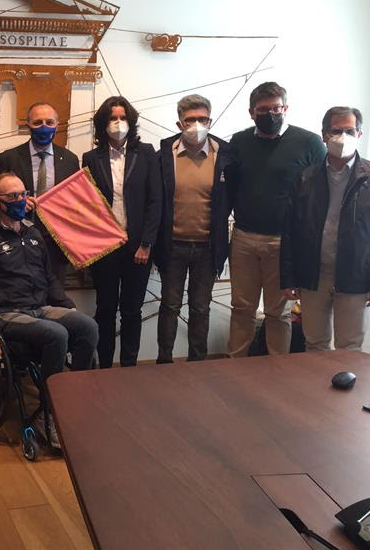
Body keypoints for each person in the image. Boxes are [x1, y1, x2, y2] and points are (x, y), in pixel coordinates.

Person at [0, 172, 98, 447]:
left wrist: (68, 308)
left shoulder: (34, 235)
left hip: (40, 308)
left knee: (87, 326)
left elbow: (50, 280)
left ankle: (72, 402)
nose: (21, 200)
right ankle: (50, 414)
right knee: (56, 334)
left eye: (23, 194)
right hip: (5, 314)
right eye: (13, 196)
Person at [281, 106, 370, 350]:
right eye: (336, 131)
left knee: (349, 347)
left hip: (355, 276)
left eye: (350, 131)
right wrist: (288, 278)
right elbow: (290, 232)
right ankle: (316, 379)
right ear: (324, 135)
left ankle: (344, 378)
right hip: (313, 275)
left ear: (359, 134)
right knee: (314, 343)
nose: (343, 137)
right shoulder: (306, 178)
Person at [227, 82, 325, 356]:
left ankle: (278, 371)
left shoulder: (309, 143)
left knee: (278, 313)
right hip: (244, 238)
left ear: (285, 108)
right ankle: (234, 367)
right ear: (251, 112)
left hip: (284, 242)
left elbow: (320, 194)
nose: (270, 114)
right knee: (241, 309)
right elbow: (230, 186)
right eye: (263, 110)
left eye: (276, 108)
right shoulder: (239, 141)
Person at [155, 94, 235, 362]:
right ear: (179, 123)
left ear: (210, 121)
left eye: (203, 119)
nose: (197, 125)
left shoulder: (225, 156)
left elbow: (232, 198)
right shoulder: (163, 156)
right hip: (172, 246)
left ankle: (197, 364)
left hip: (208, 248)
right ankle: (164, 362)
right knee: (169, 306)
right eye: (190, 120)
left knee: (201, 308)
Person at [82, 97, 161, 368]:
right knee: (105, 309)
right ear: (102, 124)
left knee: (131, 310)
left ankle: (129, 367)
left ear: (131, 121)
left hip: (138, 246)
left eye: (123, 118)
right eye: (112, 118)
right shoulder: (91, 158)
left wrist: (147, 243)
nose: (118, 123)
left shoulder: (146, 153)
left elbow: (155, 201)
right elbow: (86, 205)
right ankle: (105, 366)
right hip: (105, 247)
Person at [0, 102, 79, 285]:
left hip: (56, 245)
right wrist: (14, 203)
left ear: (57, 125)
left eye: (49, 122)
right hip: (16, 243)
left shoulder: (70, 160)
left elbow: (77, 203)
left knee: (55, 296)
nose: (44, 127)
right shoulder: (8, 158)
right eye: (38, 122)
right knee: (20, 295)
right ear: (28, 125)